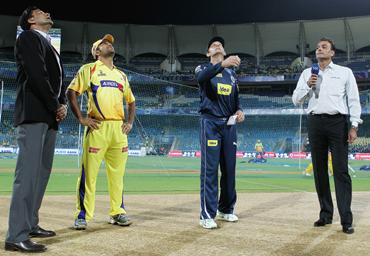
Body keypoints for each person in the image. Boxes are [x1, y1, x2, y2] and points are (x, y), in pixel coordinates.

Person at [5, 6, 67, 253]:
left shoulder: (49, 44)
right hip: (34, 113)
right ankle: (15, 235)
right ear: (31, 20)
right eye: (41, 12)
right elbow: (37, 75)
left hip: (49, 115)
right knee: (28, 175)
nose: (48, 13)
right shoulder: (28, 37)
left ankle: (30, 223)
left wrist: (60, 104)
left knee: (41, 174)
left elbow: (57, 78)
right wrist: (55, 104)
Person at [292, 37, 362, 234]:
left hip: (337, 122)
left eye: (324, 47)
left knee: (341, 171)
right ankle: (325, 214)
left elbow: (354, 100)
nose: (319, 49)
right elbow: (296, 100)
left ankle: (346, 220)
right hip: (315, 123)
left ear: (332, 53)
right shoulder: (308, 73)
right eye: (317, 48)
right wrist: (308, 84)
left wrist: (354, 125)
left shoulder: (344, 72)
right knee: (320, 171)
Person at [67, 34, 136, 230]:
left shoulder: (121, 75)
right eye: (104, 43)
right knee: (89, 175)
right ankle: (82, 215)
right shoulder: (89, 69)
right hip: (98, 128)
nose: (109, 45)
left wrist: (129, 122)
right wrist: (81, 118)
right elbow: (71, 92)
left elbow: (131, 100)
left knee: (118, 175)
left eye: (110, 43)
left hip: (118, 130)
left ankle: (118, 212)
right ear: (97, 51)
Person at [195, 36, 245, 229]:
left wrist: (240, 111)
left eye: (220, 45)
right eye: (213, 45)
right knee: (210, 170)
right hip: (210, 124)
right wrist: (222, 64)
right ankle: (207, 214)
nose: (217, 46)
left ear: (224, 51)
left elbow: (236, 101)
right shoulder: (203, 69)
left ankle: (226, 209)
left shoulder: (232, 76)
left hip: (229, 126)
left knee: (229, 170)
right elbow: (201, 79)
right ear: (209, 53)